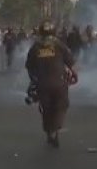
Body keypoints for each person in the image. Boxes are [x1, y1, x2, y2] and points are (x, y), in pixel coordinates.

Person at [26, 20, 77, 148]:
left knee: (46, 109)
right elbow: (71, 62)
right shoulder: (59, 45)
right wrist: (74, 74)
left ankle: (50, 132)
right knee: (61, 106)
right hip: (59, 83)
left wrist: (34, 81)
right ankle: (55, 130)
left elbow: (29, 66)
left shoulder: (35, 47)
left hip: (42, 84)